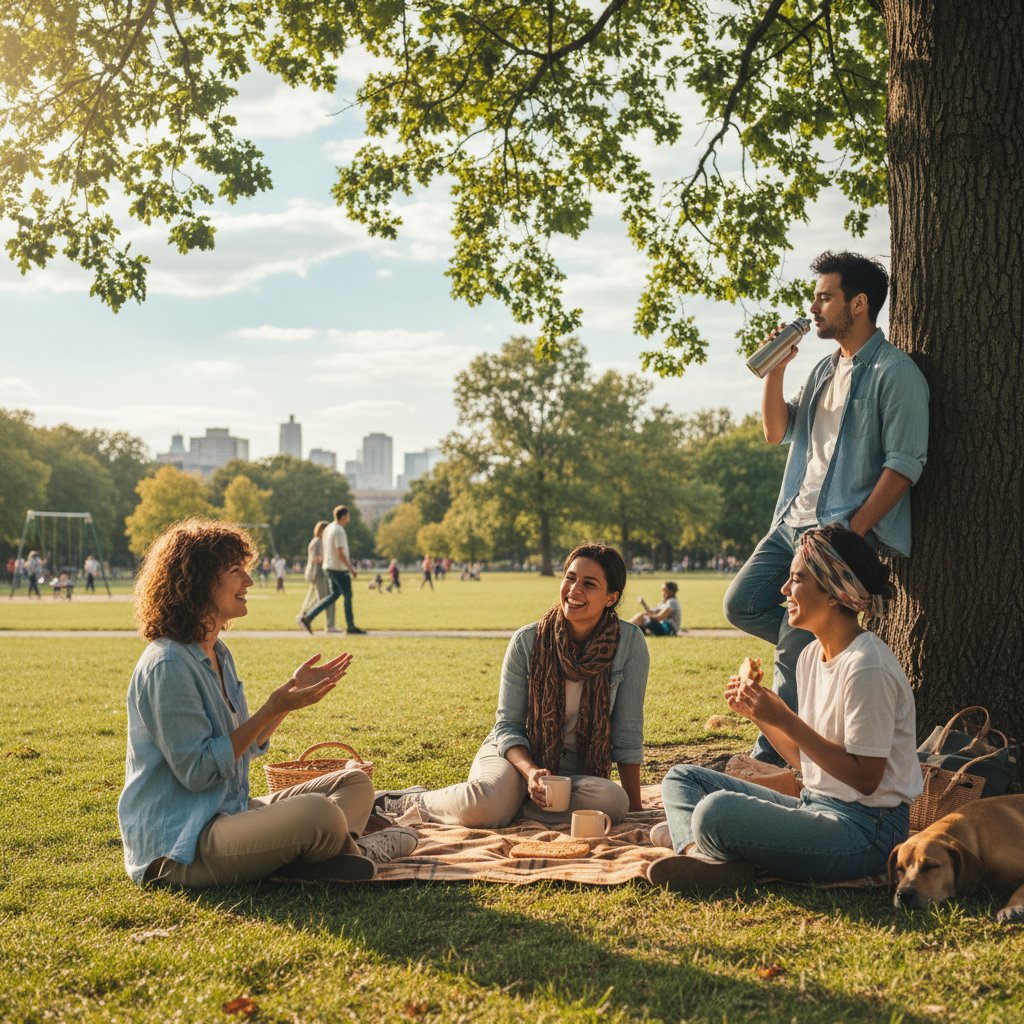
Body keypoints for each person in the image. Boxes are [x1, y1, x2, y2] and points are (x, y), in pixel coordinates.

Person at [117, 518, 417, 888]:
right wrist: (271, 707)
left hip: (229, 812)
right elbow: (198, 772)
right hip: (183, 845)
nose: (249, 581)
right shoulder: (167, 664)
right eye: (235, 571)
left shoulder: (217, 653)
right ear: (198, 582)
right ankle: (352, 850)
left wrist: (288, 699)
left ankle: (313, 857)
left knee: (354, 783)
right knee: (318, 813)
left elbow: (243, 746)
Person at [724, 251, 929, 765]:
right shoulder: (821, 370)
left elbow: (904, 465)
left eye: (824, 297)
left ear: (858, 304)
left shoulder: (896, 373)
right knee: (741, 604)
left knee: (793, 643)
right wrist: (774, 371)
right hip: (790, 523)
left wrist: (852, 534)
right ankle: (816, 644)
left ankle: (772, 761)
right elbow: (777, 431)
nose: (813, 308)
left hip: (837, 532)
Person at [648, 525, 922, 892]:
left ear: (832, 592)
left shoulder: (866, 666)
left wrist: (785, 719)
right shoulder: (810, 655)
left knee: (715, 811)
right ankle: (701, 854)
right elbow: (806, 762)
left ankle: (702, 844)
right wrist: (760, 716)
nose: (783, 590)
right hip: (814, 804)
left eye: (795, 579)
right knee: (682, 778)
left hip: (866, 831)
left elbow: (865, 779)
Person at [374, 543, 650, 828]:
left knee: (614, 802)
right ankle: (410, 801)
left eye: (589, 584)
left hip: (572, 773)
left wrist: (635, 809)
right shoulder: (527, 641)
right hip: (514, 757)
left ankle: (509, 808)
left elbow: (627, 733)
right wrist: (530, 773)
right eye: (570, 577)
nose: (574, 590)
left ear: (611, 597)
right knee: (482, 805)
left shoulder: (629, 644)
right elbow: (508, 725)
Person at [299, 505, 365, 635]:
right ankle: (351, 626)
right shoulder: (339, 530)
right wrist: (350, 568)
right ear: (343, 516)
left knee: (333, 595)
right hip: (339, 568)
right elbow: (340, 552)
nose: (349, 518)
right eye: (348, 515)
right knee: (347, 596)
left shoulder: (329, 529)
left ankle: (309, 617)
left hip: (328, 567)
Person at [298, 521, 339, 634]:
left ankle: (304, 615)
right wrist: (329, 558)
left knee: (323, 598)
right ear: (321, 530)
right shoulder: (316, 542)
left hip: (324, 573)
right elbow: (314, 558)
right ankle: (305, 616)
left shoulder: (324, 541)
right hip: (317, 574)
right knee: (324, 599)